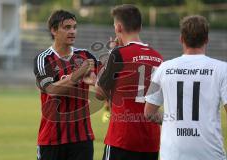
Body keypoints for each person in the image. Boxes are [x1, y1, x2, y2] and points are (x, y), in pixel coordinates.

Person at [144, 15, 227, 160]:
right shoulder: (222, 69)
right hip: (210, 154)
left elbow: (148, 112)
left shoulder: (163, 68)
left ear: (181, 38)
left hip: (172, 154)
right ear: (207, 39)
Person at [95, 4, 163, 160]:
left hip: (122, 139)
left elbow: (100, 93)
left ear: (118, 27)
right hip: (150, 141)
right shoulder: (158, 57)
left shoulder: (118, 54)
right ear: (140, 26)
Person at [33, 10, 98, 160]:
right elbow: (52, 89)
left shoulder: (86, 56)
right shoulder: (43, 59)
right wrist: (78, 74)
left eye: (74, 27)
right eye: (67, 27)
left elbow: (103, 83)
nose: (72, 31)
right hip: (51, 139)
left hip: (82, 139)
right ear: (53, 30)